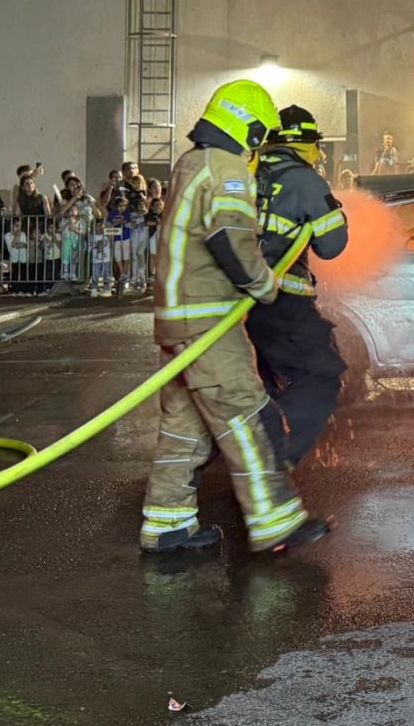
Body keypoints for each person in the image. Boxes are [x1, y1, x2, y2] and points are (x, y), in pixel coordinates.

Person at [140, 79, 326, 555]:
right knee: (247, 414)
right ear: (251, 129)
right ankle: (275, 522)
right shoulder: (226, 169)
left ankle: (167, 526)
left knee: (185, 425)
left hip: (177, 318)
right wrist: (265, 286)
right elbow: (230, 237)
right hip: (208, 321)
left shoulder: (190, 164)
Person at [248, 105, 351, 470]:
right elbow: (332, 245)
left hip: (241, 306)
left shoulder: (248, 173)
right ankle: (273, 461)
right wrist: (335, 216)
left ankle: (257, 451)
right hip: (284, 303)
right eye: (316, 145)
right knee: (324, 375)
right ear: (301, 143)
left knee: (259, 386)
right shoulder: (305, 181)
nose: (320, 153)